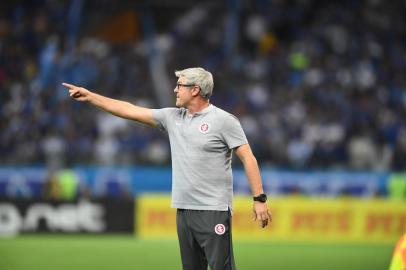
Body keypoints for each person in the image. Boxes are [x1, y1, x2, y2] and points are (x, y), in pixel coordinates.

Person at [62, 67, 272, 270]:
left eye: (180, 85)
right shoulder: (172, 117)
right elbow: (129, 110)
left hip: (213, 210)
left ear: (195, 90)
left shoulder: (224, 121)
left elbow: (249, 158)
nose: (175, 89)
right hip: (184, 210)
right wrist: (91, 97)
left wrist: (259, 199)